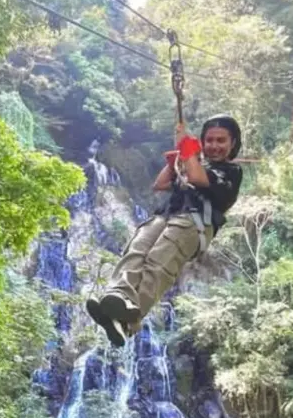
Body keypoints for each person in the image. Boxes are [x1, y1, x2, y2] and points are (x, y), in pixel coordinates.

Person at [86, 114, 243, 347]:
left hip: (194, 223)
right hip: (165, 216)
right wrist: (176, 160)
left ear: (233, 143)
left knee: (158, 263)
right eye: (209, 140)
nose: (214, 146)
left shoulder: (231, 171)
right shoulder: (193, 164)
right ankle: (118, 297)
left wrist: (186, 149)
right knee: (136, 252)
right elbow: (159, 185)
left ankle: (130, 320)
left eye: (221, 140)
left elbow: (199, 179)